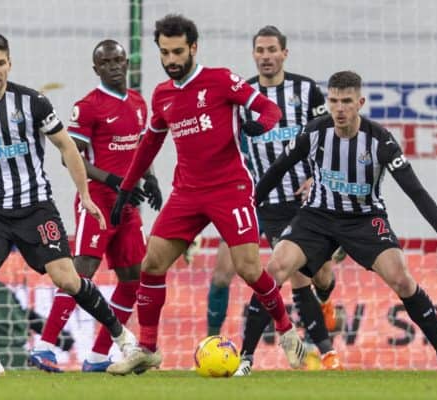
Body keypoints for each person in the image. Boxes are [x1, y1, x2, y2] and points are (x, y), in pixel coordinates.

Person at [106, 14, 306, 376]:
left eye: (178, 51)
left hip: (231, 189)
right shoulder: (162, 94)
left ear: (194, 48)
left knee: (248, 269)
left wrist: (260, 123)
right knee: (151, 265)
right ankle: (148, 349)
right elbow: (150, 142)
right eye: (165, 53)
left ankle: (286, 329)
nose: (171, 60)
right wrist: (125, 187)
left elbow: (269, 108)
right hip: (187, 192)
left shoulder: (220, 80)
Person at [0, 32, 138, 377]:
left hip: (36, 207)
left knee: (68, 279)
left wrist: (85, 195)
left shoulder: (33, 103)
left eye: (1, 63)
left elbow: (67, 146)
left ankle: (123, 337)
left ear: (10, 64)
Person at [253, 70, 437, 376]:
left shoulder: (380, 139)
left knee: (401, 279)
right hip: (320, 218)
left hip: (365, 220)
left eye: (347, 101)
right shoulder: (315, 131)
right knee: (277, 271)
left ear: (360, 102)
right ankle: (247, 356)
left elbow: (413, 187)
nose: (339, 108)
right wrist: (250, 203)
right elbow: (276, 170)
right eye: (334, 101)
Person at [28, 39, 162, 373]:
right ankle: (45, 347)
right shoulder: (87, 106)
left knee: (132, 279)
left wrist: (152, 178)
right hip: (98, 203)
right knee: (79, 273)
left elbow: (141, 149)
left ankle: (99, 355)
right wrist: (116, 182)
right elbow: (70, 157)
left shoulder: (138, 102)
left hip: (129, 207)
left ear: (127, 62)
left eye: (119, 60)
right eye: (107, 62)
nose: (115, 66)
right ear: (96, 69)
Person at [231, 25, 346, 376]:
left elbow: (326, 139)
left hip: (310, 199)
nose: (266, 56)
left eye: (272, 50)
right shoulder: (244, 96)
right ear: (254, 55)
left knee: (321, 275)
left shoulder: (307, 90)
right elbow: (232, 144)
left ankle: (324, 299)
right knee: (292, 273)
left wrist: (316, 175)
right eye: (260, 50)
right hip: (271, 203)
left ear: (284, 53)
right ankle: (325, 353)